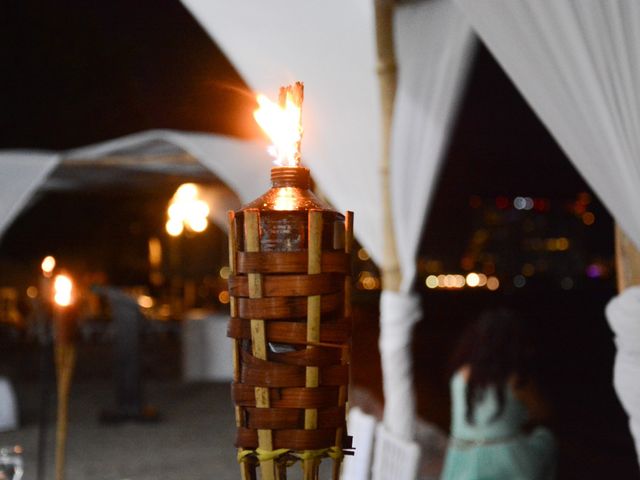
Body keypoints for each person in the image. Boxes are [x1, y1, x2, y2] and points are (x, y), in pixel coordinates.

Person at [441, 309, 556, 480]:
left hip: (461, 463)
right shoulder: (515, 379)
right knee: (547, 440)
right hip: (506, 463)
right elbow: (543, 412)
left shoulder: (460, 376)